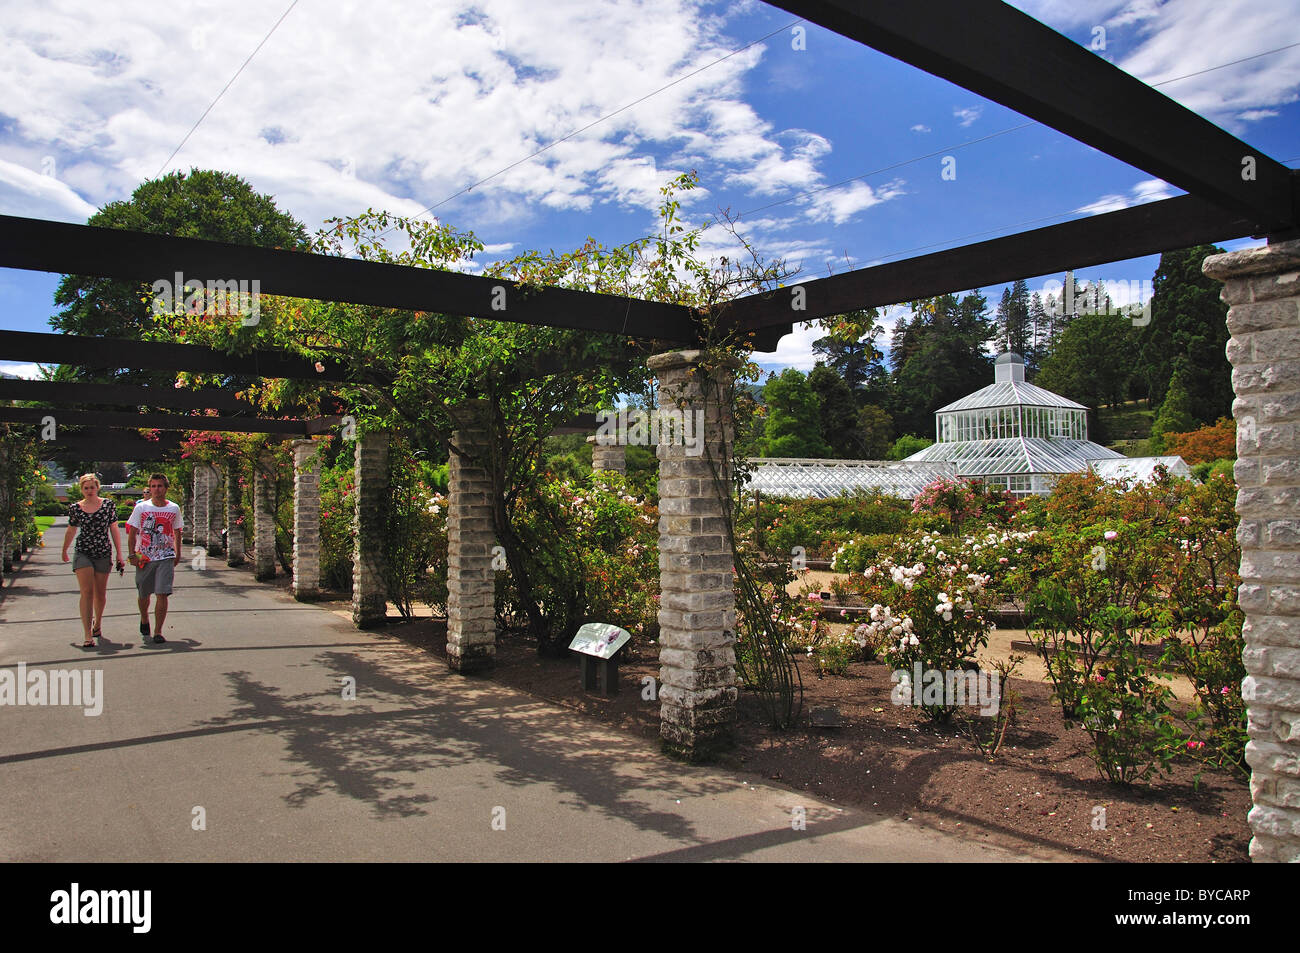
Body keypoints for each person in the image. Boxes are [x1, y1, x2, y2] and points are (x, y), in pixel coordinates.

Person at [61, 474, 126, 648]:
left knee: (100, 593)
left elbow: (114, 529)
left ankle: (97, 624)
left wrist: (120, 554)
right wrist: (64, 549)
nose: (89, 491)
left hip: (103, 552)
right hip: (83, 552)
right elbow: (71, 529)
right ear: (81, 489)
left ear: (97, 487)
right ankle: (87, 634)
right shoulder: (76, 508)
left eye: (92, 487)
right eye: (86, 488)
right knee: (86, 592)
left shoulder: (108, 505)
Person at [126, 473, 184, 645]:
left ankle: (158, 631)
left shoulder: (173, 508)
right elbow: (133, 532)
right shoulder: (141, 508)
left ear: (166, 488)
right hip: (144, 556)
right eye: (153, 486)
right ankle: (144, 618)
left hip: (165, 555)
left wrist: (177, 552)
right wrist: (131, 554)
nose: (156, 490)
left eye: (159, 486)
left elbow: (177, 531)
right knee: (143, 593)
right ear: (149, 488)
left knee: (162, 592)